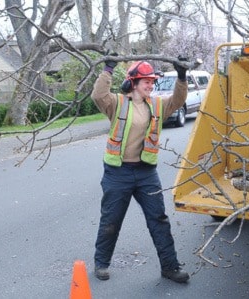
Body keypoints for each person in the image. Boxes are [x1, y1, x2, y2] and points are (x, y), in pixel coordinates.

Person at [91, 55, 190, 283]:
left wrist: (182, 76)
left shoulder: (157, 105)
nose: (150, 85)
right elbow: (98, 95)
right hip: (118, 173)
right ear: (132, 83)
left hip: (146, 173)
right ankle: (101, 263)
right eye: (146, 81)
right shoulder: (115, 103)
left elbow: (177, 99)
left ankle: (170, 267)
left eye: (152, 81)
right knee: (111, 220)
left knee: (159, 219)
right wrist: (108, 69)